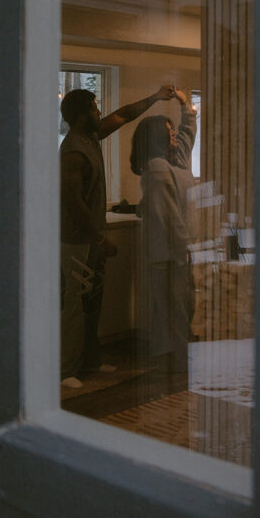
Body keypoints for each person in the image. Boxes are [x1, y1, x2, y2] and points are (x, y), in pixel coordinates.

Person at [60, 82, 175, 385]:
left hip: (91, 240)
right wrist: (98, 238)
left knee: (92, 302)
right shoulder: (73, 150)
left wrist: (155, 96)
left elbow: (124, 115)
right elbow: (72, 201)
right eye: (95, 107)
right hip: (77, 242)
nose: (100, 111)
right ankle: (66, 371)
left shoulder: (91, 136)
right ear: (83, 115)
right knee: (76, 305)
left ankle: (89, 362)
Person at [130, 86, 198, 381]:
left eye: (172, 131)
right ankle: (178, 364)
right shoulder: (157, 168)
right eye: (168, 133)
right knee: (173, 310)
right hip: (169, 252)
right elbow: (167, 216)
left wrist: (186, 104)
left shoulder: (176, 161)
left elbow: (188, 132)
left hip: (180, 249)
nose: (174, 136)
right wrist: (183, 249)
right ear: (156, 139)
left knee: (181, 306)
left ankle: (175, 360)